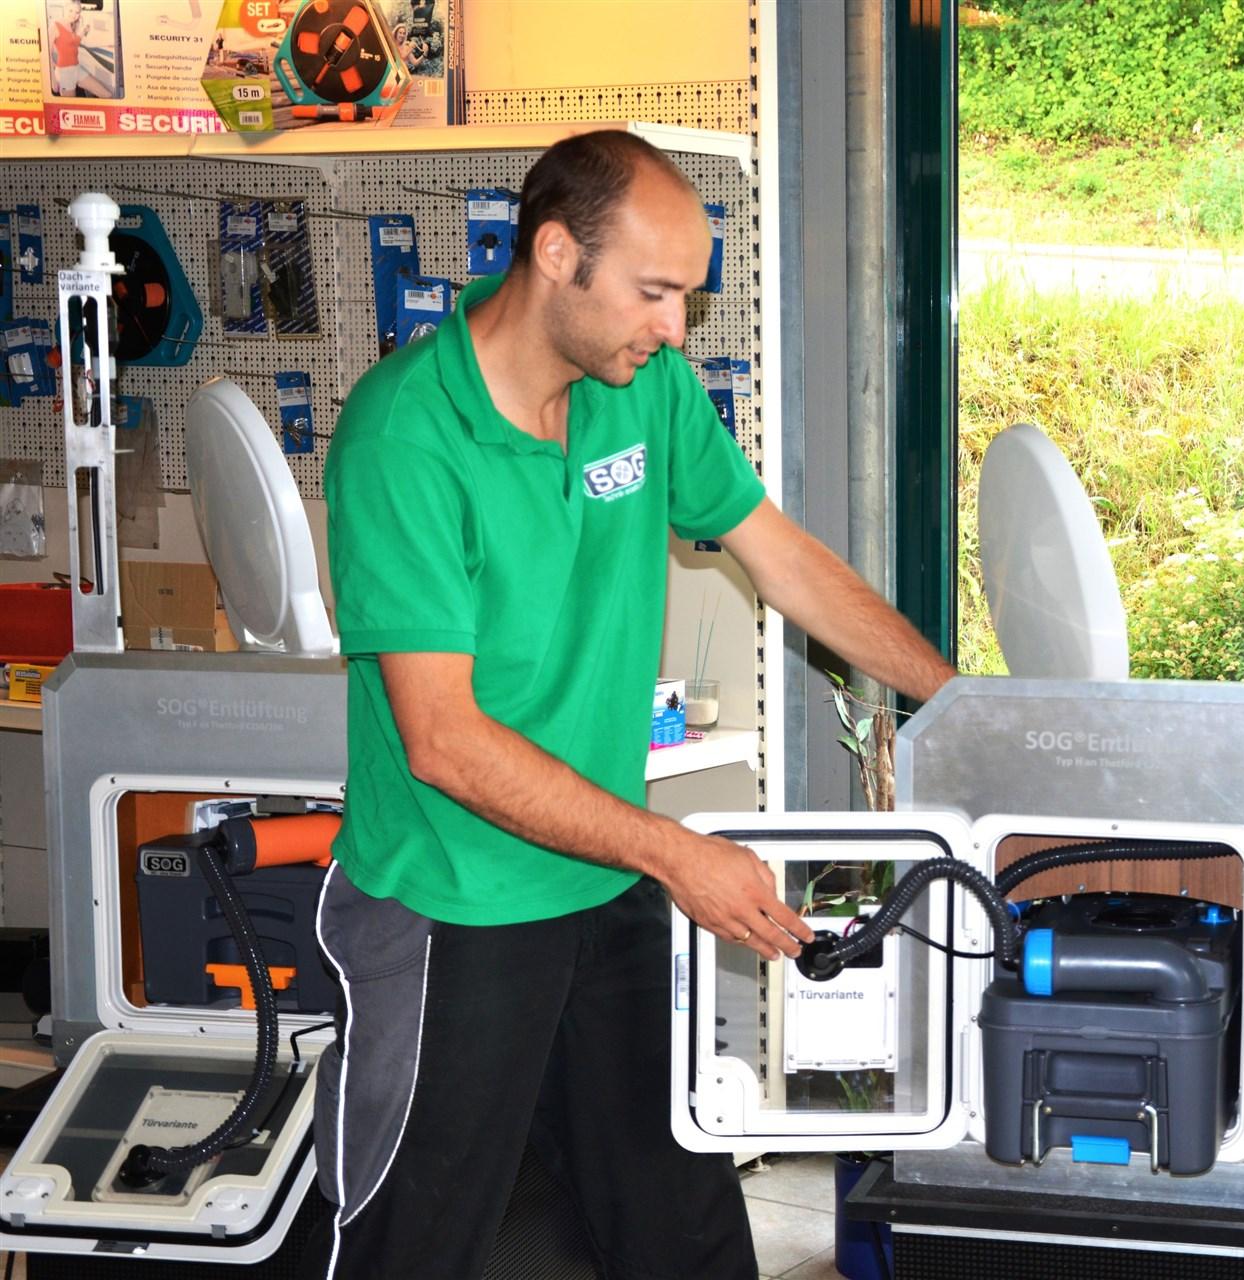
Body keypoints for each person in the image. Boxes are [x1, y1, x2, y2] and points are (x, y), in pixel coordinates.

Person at [312, 129, 957, 1279]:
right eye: (655, 293)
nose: (674, 327)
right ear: (557, 254)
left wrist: (961, 703)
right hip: (453, 906)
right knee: (424, 1240)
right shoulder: (406, 435)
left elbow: (784, 560)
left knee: (683, 1228)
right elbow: (444, 740)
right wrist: (674, 851)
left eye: (687, 298)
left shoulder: (643, 390)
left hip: (605, 885)